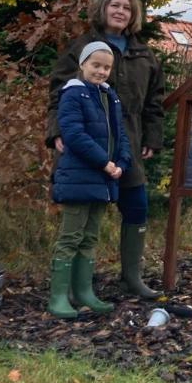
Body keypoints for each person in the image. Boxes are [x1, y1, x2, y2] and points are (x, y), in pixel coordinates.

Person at [47, 0, 165, 298]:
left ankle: (131, 278)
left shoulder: (144, 55)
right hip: (85, 146)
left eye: (126, 7)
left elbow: (155, 102)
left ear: (133, 14)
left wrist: (152, 137)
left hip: (128, 145)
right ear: (103, 8)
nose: (120, 11)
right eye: (114, 5)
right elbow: (58, 95)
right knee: (82, 216)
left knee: (137, 207)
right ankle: (71, 288)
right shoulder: (82, 47)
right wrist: (56, 132)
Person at [47, 42, 131, 318]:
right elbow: (74, 134)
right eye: (95, 65)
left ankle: (83, 292)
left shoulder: (110, 96)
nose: (101, 71)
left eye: (106, 67)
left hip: (104, 179)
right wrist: (104, 163)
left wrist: (121, 163)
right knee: (70, 236)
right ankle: (58, 297)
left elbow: (121, 135)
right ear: (83, 64)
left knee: (89, 237)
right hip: (79, 177)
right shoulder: (73, 94)